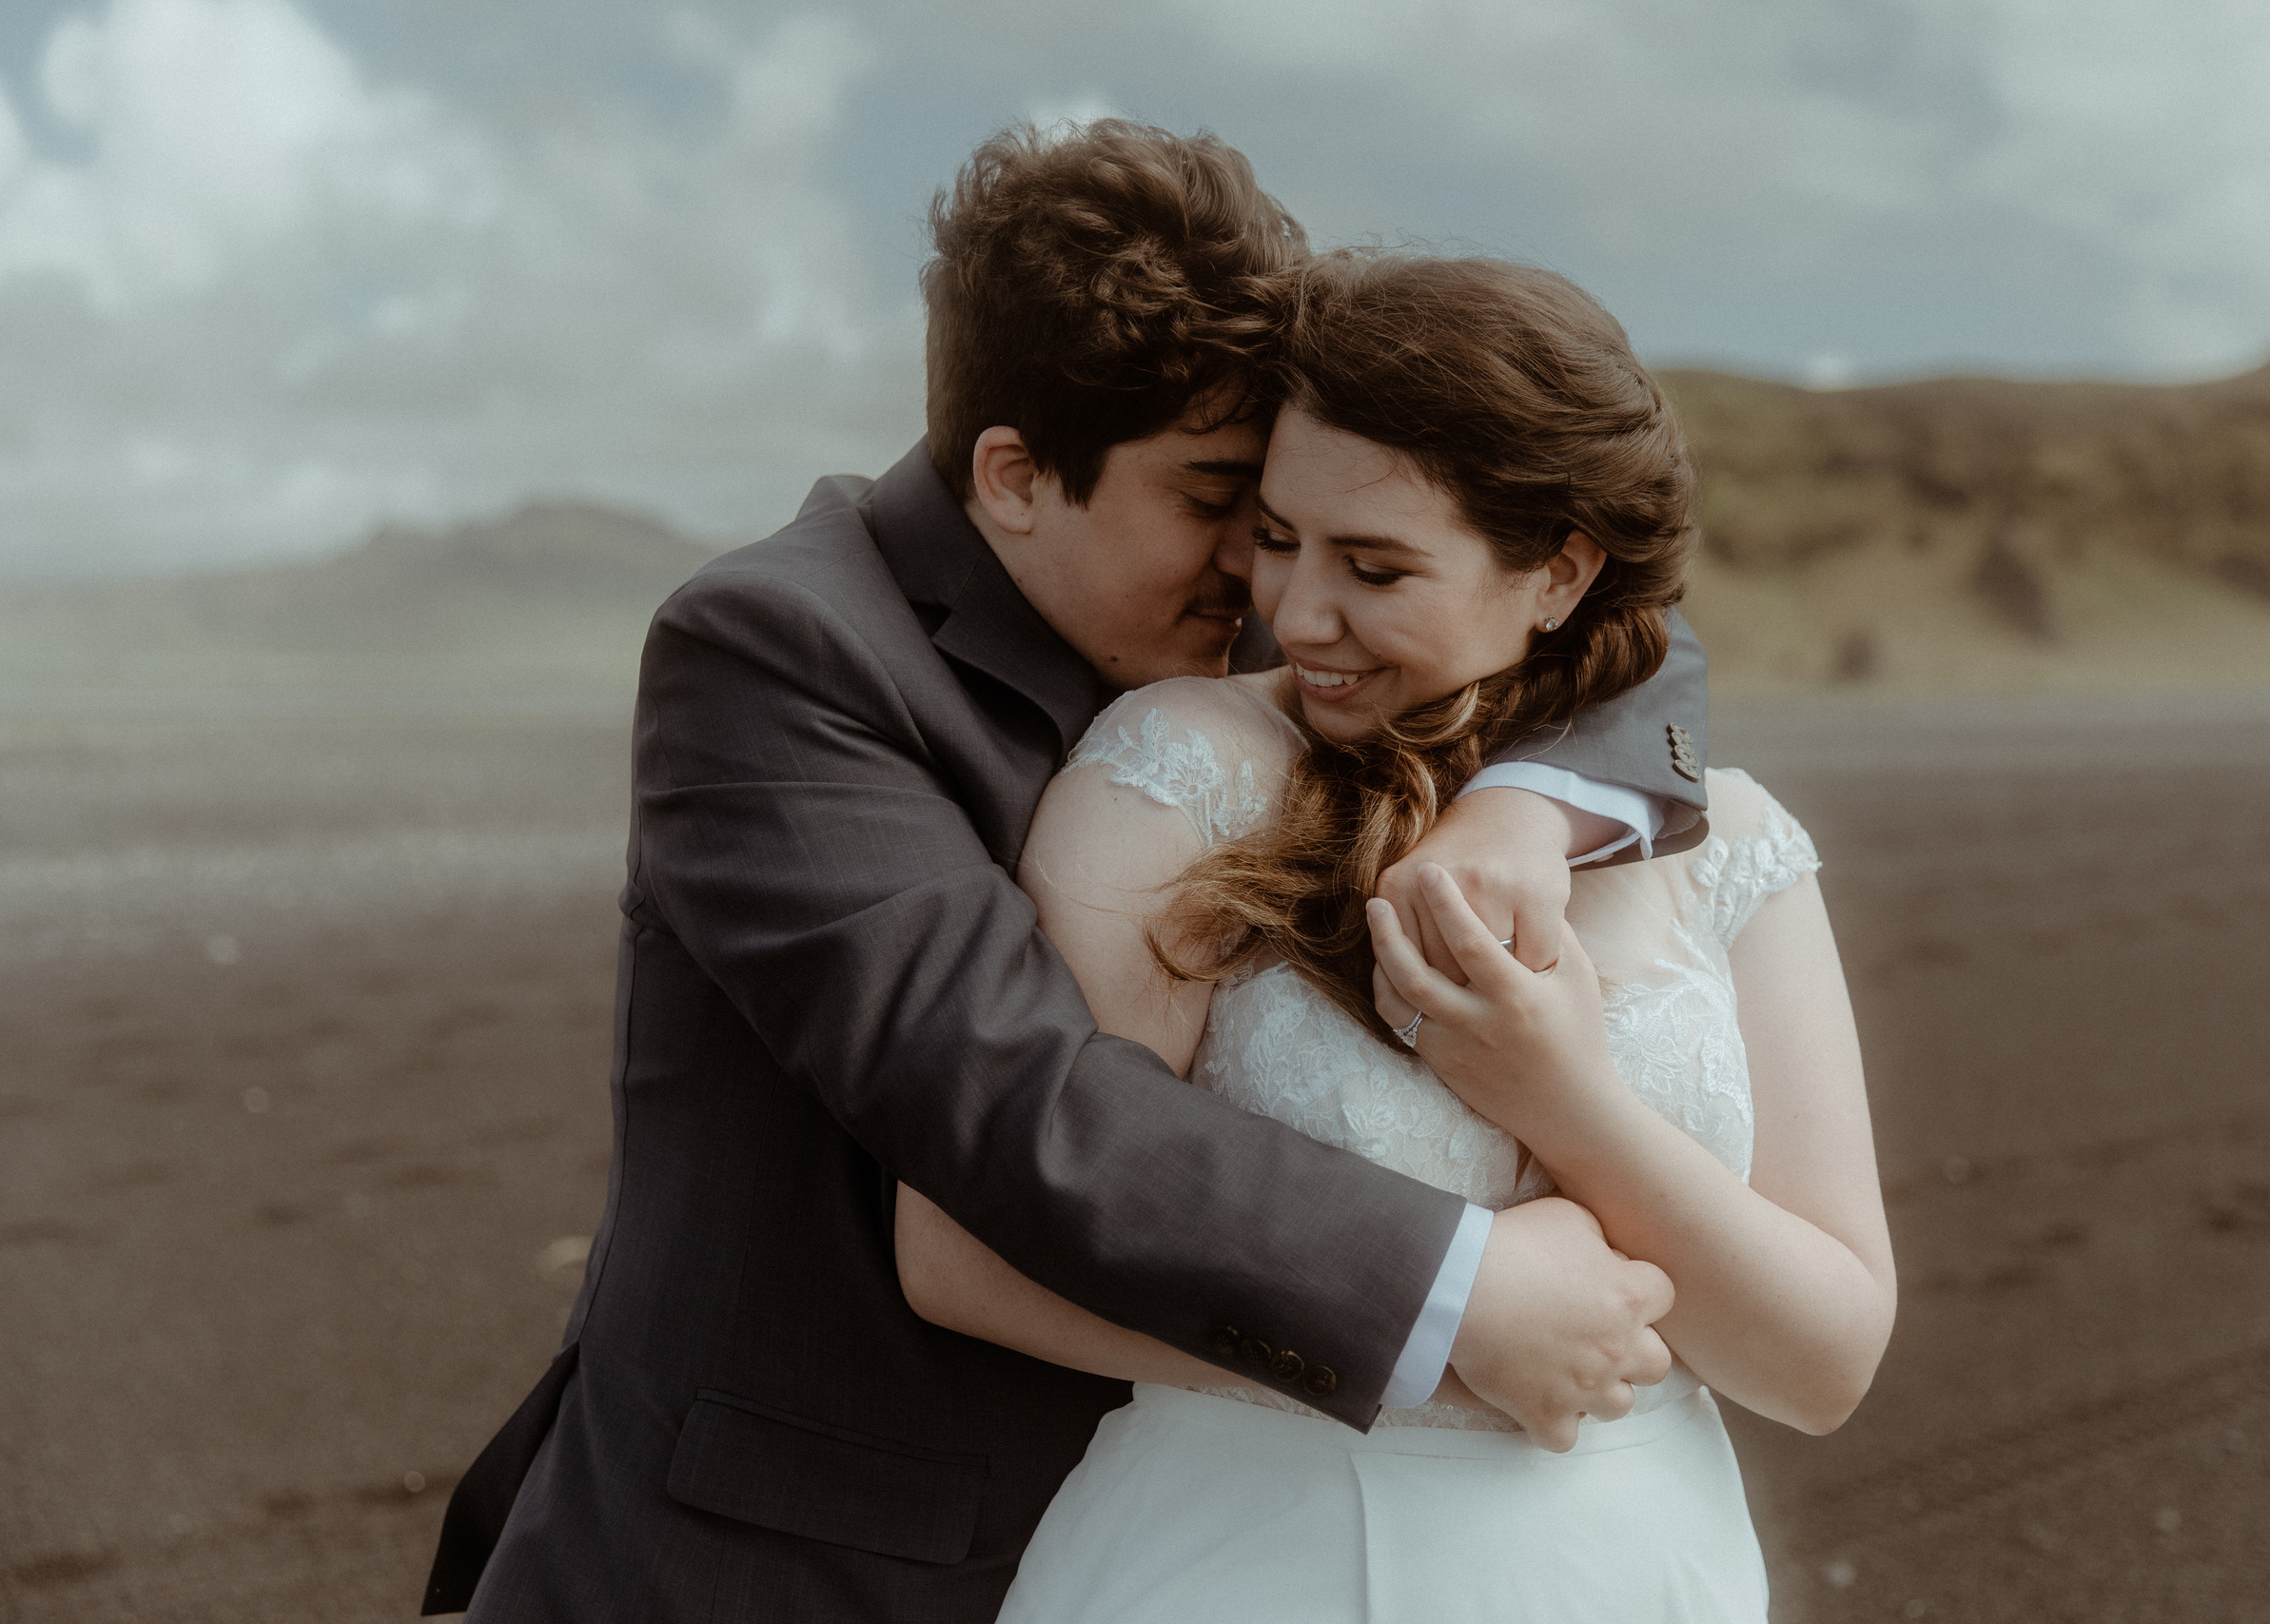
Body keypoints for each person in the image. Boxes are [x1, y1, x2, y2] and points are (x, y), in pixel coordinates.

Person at [422, 124, 1717, 1621]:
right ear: (1016, 473)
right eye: (1223, 501)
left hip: (1153, 1540)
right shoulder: (779, 653)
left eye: (1296, 523)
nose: (1273, 578)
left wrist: (1528, 811)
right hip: (789, 1557)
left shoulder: (1249, 604)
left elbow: (1626, 627)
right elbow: (1011, 1088)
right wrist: (1456, 1292)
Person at [894, 250, 1898, 1621]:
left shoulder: (1726, 843)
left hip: (1645, 1568)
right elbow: (967, 1252)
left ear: (1558, 572)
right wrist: (1436, 1340)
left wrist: (1567, 1100)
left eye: (1374, 567)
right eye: (1280, 536)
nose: (1296, 614)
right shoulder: (1182, 774)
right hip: (1247, 1562)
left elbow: (1824, 1364)